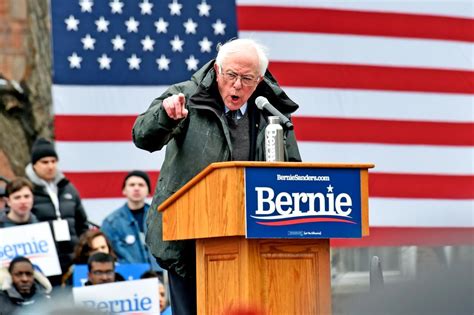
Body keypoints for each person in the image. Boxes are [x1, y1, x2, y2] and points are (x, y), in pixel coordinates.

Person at [132, 38, 301, 314]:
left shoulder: (272, 111)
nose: (237, 85)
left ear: (259, 80)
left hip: (251, 241)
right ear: (217, 70)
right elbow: (142, 136)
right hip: (188, 240)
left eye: (246, 78)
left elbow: (292, 168)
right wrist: (165, 116)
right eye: (231, 75)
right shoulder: (186, 95)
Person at [25, 137, 89, 286]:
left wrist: (82, 253)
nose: (50, 166)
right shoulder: (27, 191)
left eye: (53, 161)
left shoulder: (68, 188)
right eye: (45, 162)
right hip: (44, 263)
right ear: (34, 165)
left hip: (72, 260)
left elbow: (82, 224)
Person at [101, 170, 160, 270]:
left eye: (141, 185)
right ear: (124, 190)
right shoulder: (111, 222)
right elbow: (107, 254)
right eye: (132, 185)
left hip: (160, 276)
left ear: (149, 191)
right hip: (129, 277)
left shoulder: (160, 217)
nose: (136, 188)